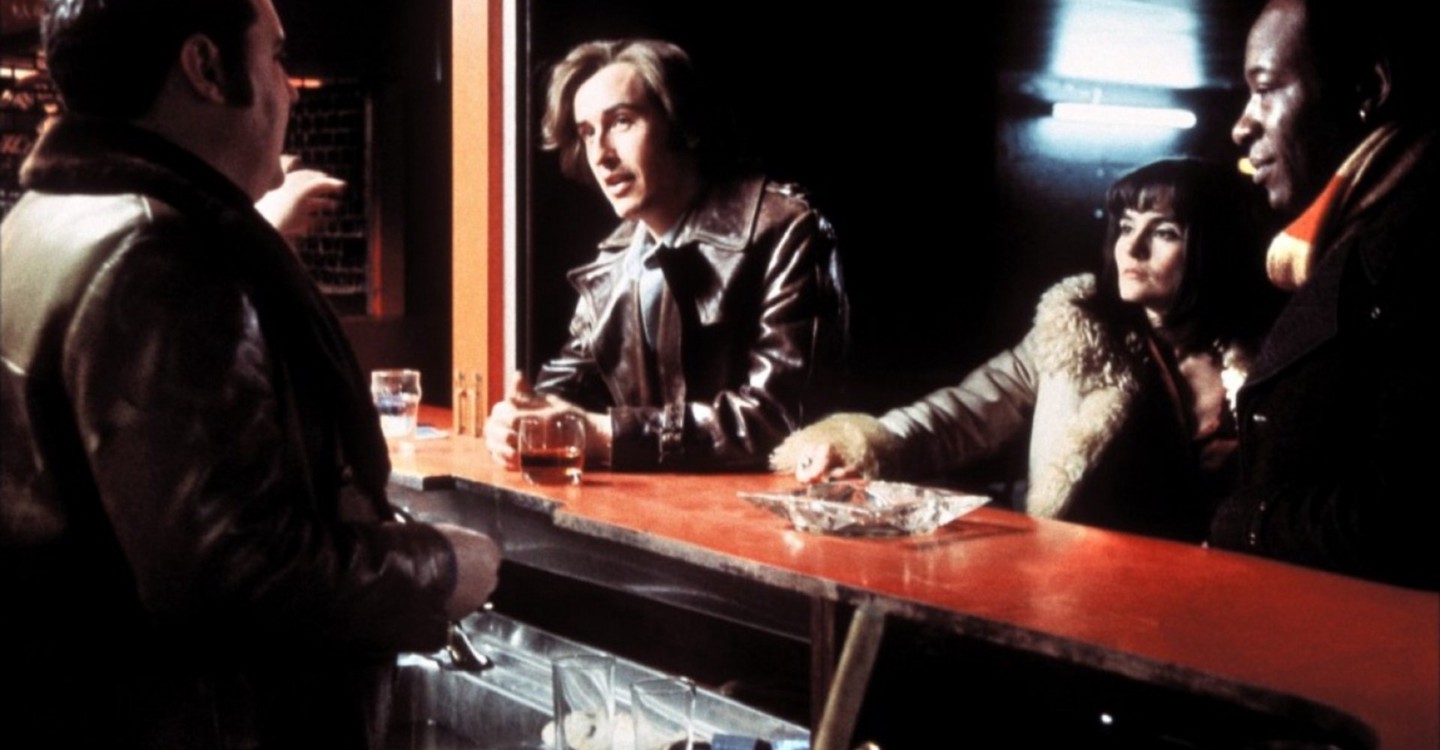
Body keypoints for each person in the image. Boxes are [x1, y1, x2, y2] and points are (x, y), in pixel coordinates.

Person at [0, 1, 501, 747]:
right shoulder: (160, 255)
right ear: (206, 68)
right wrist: (441, 568)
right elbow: (235, 574)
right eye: (276, 56)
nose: (291, 89)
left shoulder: (42, 218)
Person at [773, 159, 1279, 542]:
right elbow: (965, 413)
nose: (1132, 247)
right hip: (1080, 586)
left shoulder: (1273, 357)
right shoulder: (1079, 331)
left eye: (1163, 232)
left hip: (1218, 600)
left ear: (1212, 248)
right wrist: (858, 444)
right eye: (1126, 226)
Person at [484, 39, 846, 472]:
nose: (601, 155)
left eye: (621, 121)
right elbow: (565, 391)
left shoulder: (784, 227)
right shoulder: (615, 261)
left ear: (683, 124)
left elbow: (778, 420)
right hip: (656, 507)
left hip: (770, 508)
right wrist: (519, 420)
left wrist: (604, 434)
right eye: (587, 133)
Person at [1213, 0, 1437, 589]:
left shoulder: (1418, 251)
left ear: (1367, 90)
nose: (1242, 126)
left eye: (1266, 90)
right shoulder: (1353, 241)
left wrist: (1241, 521)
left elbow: (1408, 519)